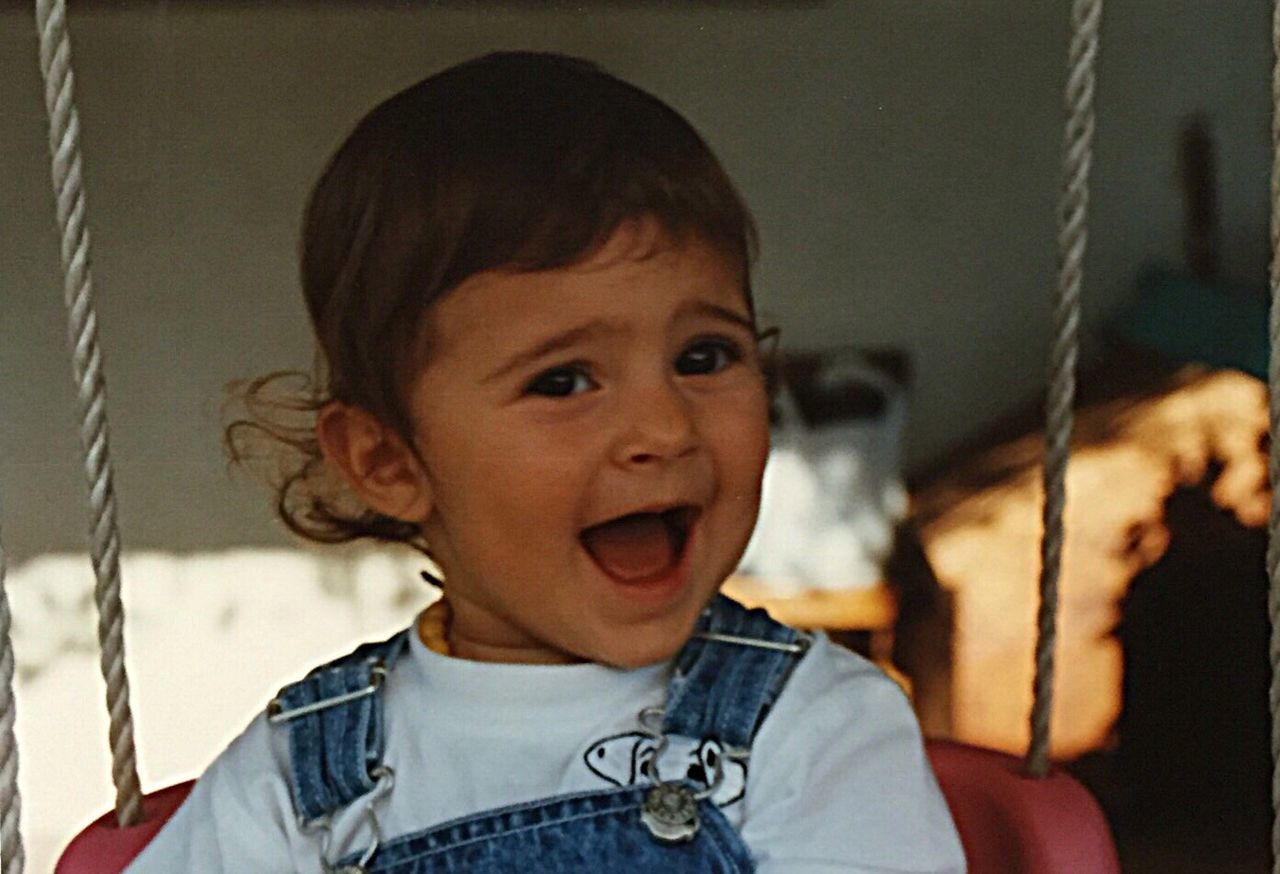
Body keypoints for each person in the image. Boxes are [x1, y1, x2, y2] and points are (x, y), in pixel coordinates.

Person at [128, 51, 966, 873]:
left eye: (705, 357)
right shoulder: (305, 779)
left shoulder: (816, 732)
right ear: (389, 461)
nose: (664, 428)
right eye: (564, 381)